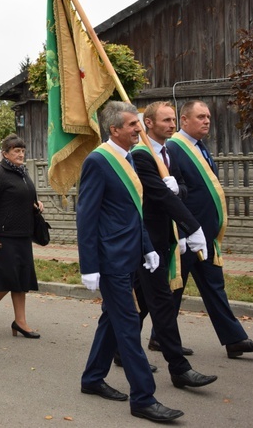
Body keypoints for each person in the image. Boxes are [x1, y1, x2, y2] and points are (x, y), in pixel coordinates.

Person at [77, 101, 183, 422]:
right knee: (127, 327)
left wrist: (148, 247)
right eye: (133, 125)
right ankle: (143, 397)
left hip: (131, 254)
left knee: (112, 319)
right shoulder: (99, 161)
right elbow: (86, 216)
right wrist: (89, 266)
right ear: (114, 130)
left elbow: (133, 211)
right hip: (110, 261)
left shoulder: (127, 158)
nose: (139, 129)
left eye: (138, 124)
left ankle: (93, 378)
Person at [166, 100, 253, 358]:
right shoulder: (174, 148)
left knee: (214, 286)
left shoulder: (200, 146)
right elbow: (173, 195)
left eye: (208, 117)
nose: (206, 121)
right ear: (184, 120)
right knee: (173, 289)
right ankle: (159, 337)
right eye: (201, 116)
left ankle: (235, 340)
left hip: (205, 235)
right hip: (187, 233)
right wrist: (182, 232)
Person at [130, 101, 218, 388]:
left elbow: (182, 188)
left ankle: (113, 353)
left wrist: (177, 187)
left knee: (139, 304)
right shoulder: (141, 156)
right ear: (149, 124)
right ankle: (179, 368)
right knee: (162, 303)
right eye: (165, 120)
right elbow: (160, 197)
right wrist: (192, 227)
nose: (171, 125)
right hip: (146, 243)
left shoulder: (168, 153)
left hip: (166, 239)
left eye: (172, 120)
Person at [0, 134, 44, 339]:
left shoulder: (23, 173)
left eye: (22, 151)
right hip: (4, 237)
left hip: (23, 235)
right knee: (6, 280)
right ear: (5, 153)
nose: (21, 154)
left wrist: (36, 205)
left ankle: (20, 322)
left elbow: (22, 197)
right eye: (16, 151)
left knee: (21, 280)